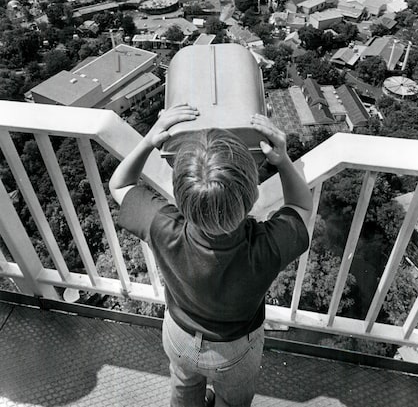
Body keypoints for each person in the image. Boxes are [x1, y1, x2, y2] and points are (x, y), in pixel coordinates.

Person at [109, 104, 312, 407]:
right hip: (235, 350)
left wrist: (151, 138)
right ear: (253, 196)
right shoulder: (266, 246)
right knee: (233, 401)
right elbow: (302, 207)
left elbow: (120, 184)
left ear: (179, 197)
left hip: (179, 336)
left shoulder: (164, 226)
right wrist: (282, 161)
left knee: (184, 388)